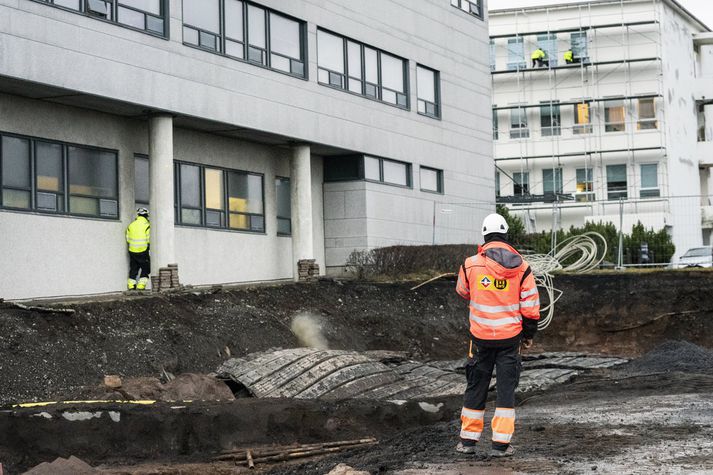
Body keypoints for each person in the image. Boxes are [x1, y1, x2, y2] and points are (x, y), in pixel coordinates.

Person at [454, 213, 540, 457]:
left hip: (480, 339)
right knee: (505, 389)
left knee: (476, 386)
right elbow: (531, 306)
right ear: (505, 234)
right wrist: (528, 334)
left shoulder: (470, 264)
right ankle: (500, 445)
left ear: (484, 234)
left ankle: (467, 442)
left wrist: (485, 289)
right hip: (510, 340)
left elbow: (462, 290)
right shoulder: (522, 267)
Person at [126, 207, 151, 290]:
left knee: (133, 269)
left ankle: (131, 286)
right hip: (143, 250)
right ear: (147, 215)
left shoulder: (131, 225)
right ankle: (141, 286)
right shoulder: (147, 226)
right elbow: (149, 240)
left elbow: (128, 239)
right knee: (146, 268)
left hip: (132, 251)